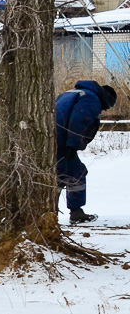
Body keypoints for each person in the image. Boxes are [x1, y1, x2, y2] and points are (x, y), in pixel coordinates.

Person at [55, 81, 118, 225]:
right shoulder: (91, 98)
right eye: (107, 107)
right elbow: (79, 120)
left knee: (67, 173)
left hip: (51, 137)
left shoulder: (71, 92)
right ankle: (63, 212)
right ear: (107, 99)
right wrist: (72, 144)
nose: (105, 110)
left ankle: (59, 211)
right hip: (62, 140)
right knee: (70, 173)